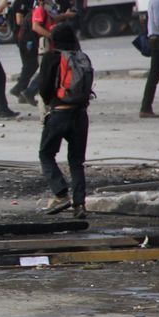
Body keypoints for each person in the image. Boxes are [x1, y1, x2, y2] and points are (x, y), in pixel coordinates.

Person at [38, 22, 91, 219]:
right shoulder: (82, 57)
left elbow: (43, 87)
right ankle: (80, 206)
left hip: (60, 112)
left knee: (46, 154)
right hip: (81, 114)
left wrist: (51, 102)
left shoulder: (52, 57)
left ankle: (61, 194)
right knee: (76, 161)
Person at [8, 0, 37, 105]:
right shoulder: (20, 2)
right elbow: (19, 21)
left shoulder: (26, 0)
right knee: (30, 64)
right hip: (24, 37)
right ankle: (19, 89)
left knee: (30, 65)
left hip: (26, 36)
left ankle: (22, 92)